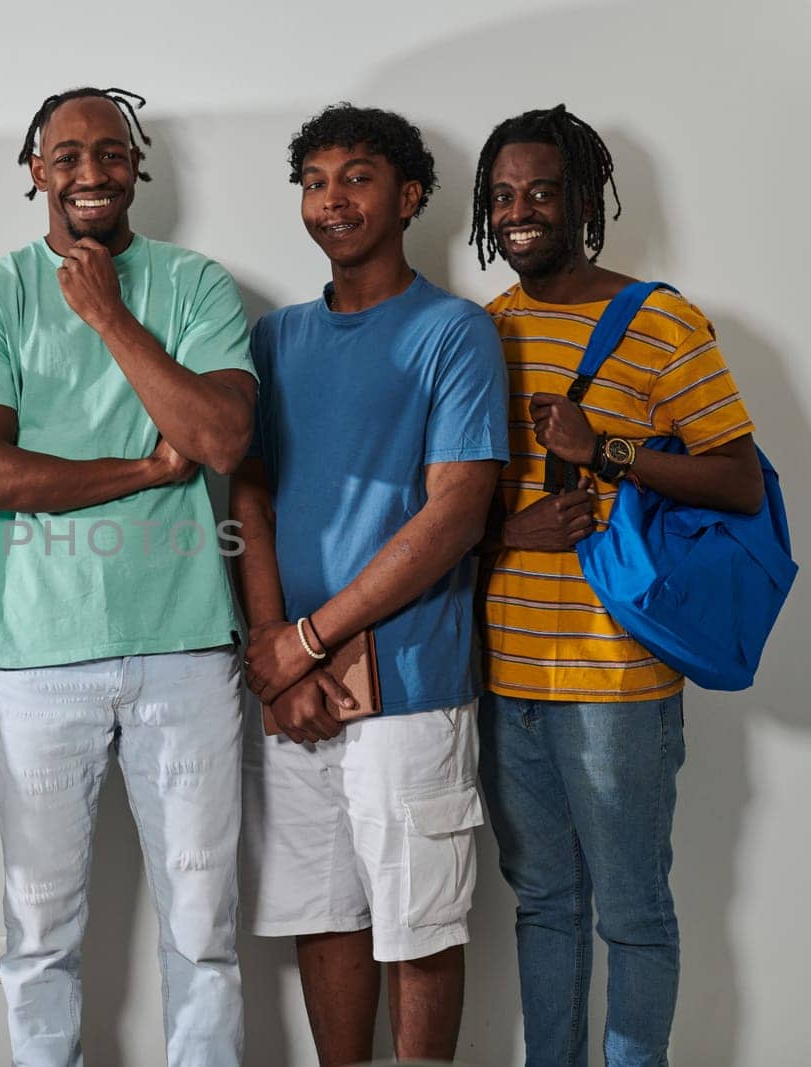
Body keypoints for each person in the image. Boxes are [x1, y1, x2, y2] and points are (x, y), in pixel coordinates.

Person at [0, 88, 255, 1066]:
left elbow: (223, 436)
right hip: (38, 661)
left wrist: (110, 316)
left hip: (187, 650)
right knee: (37, 929)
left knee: (203, 925)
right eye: (65, 154)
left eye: (110, 152)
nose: (89, 171)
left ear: (136, 166)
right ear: (35, 169)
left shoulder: (194, 287)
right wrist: (150, 469)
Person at [470, 104, 764, 1067]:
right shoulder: (484, 330)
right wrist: (511, 531)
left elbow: (738, 477)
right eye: (503, 196)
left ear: (584, 202)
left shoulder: (661, 321)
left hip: (618, 682)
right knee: (546, 905)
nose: (519, 212)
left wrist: (609, 449)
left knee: (633, 912)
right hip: (508, 676)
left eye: (541, 192)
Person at [231, 104, 508, 1066]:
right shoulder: (275, 338)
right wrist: (277, 653)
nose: (332, 199)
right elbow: (251, 499)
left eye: (356, 176)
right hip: (294, 689)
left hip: (410, 688)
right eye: (314, 180)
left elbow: (455, 513)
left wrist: (307, 640)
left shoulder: (454, 332)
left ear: (410, 194)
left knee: (418, 926)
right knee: (327, 914)